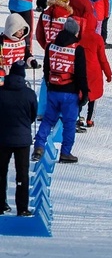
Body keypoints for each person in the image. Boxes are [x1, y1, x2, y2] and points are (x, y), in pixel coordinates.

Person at [31, 17, 88, 164]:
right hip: (70, 93)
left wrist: (50, 84)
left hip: (54, 90)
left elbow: (46, 68)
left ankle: (38, 147)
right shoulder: (77, 49)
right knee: (69, 124)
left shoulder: (51, 47)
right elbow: (81, 74)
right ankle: (65, 153)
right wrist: (84, 93)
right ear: (76, 32)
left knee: (48, 120)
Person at [0, 60, 36, 216]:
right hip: (22, 140)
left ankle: (1, 204)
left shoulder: (1, 92)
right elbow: (33, 115)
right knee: (22, 174)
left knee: (1, 172)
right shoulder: (29, 93)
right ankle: (22, 208)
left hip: (2, 139)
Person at [78, 8, 111, 128]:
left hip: (80, 70)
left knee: (80, 95)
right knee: (94, 96)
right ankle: (90, 120)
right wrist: (108, 73)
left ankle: (77, 118)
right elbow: (102, 59)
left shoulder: (78, 37)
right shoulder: (98, 39)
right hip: (94, 72)